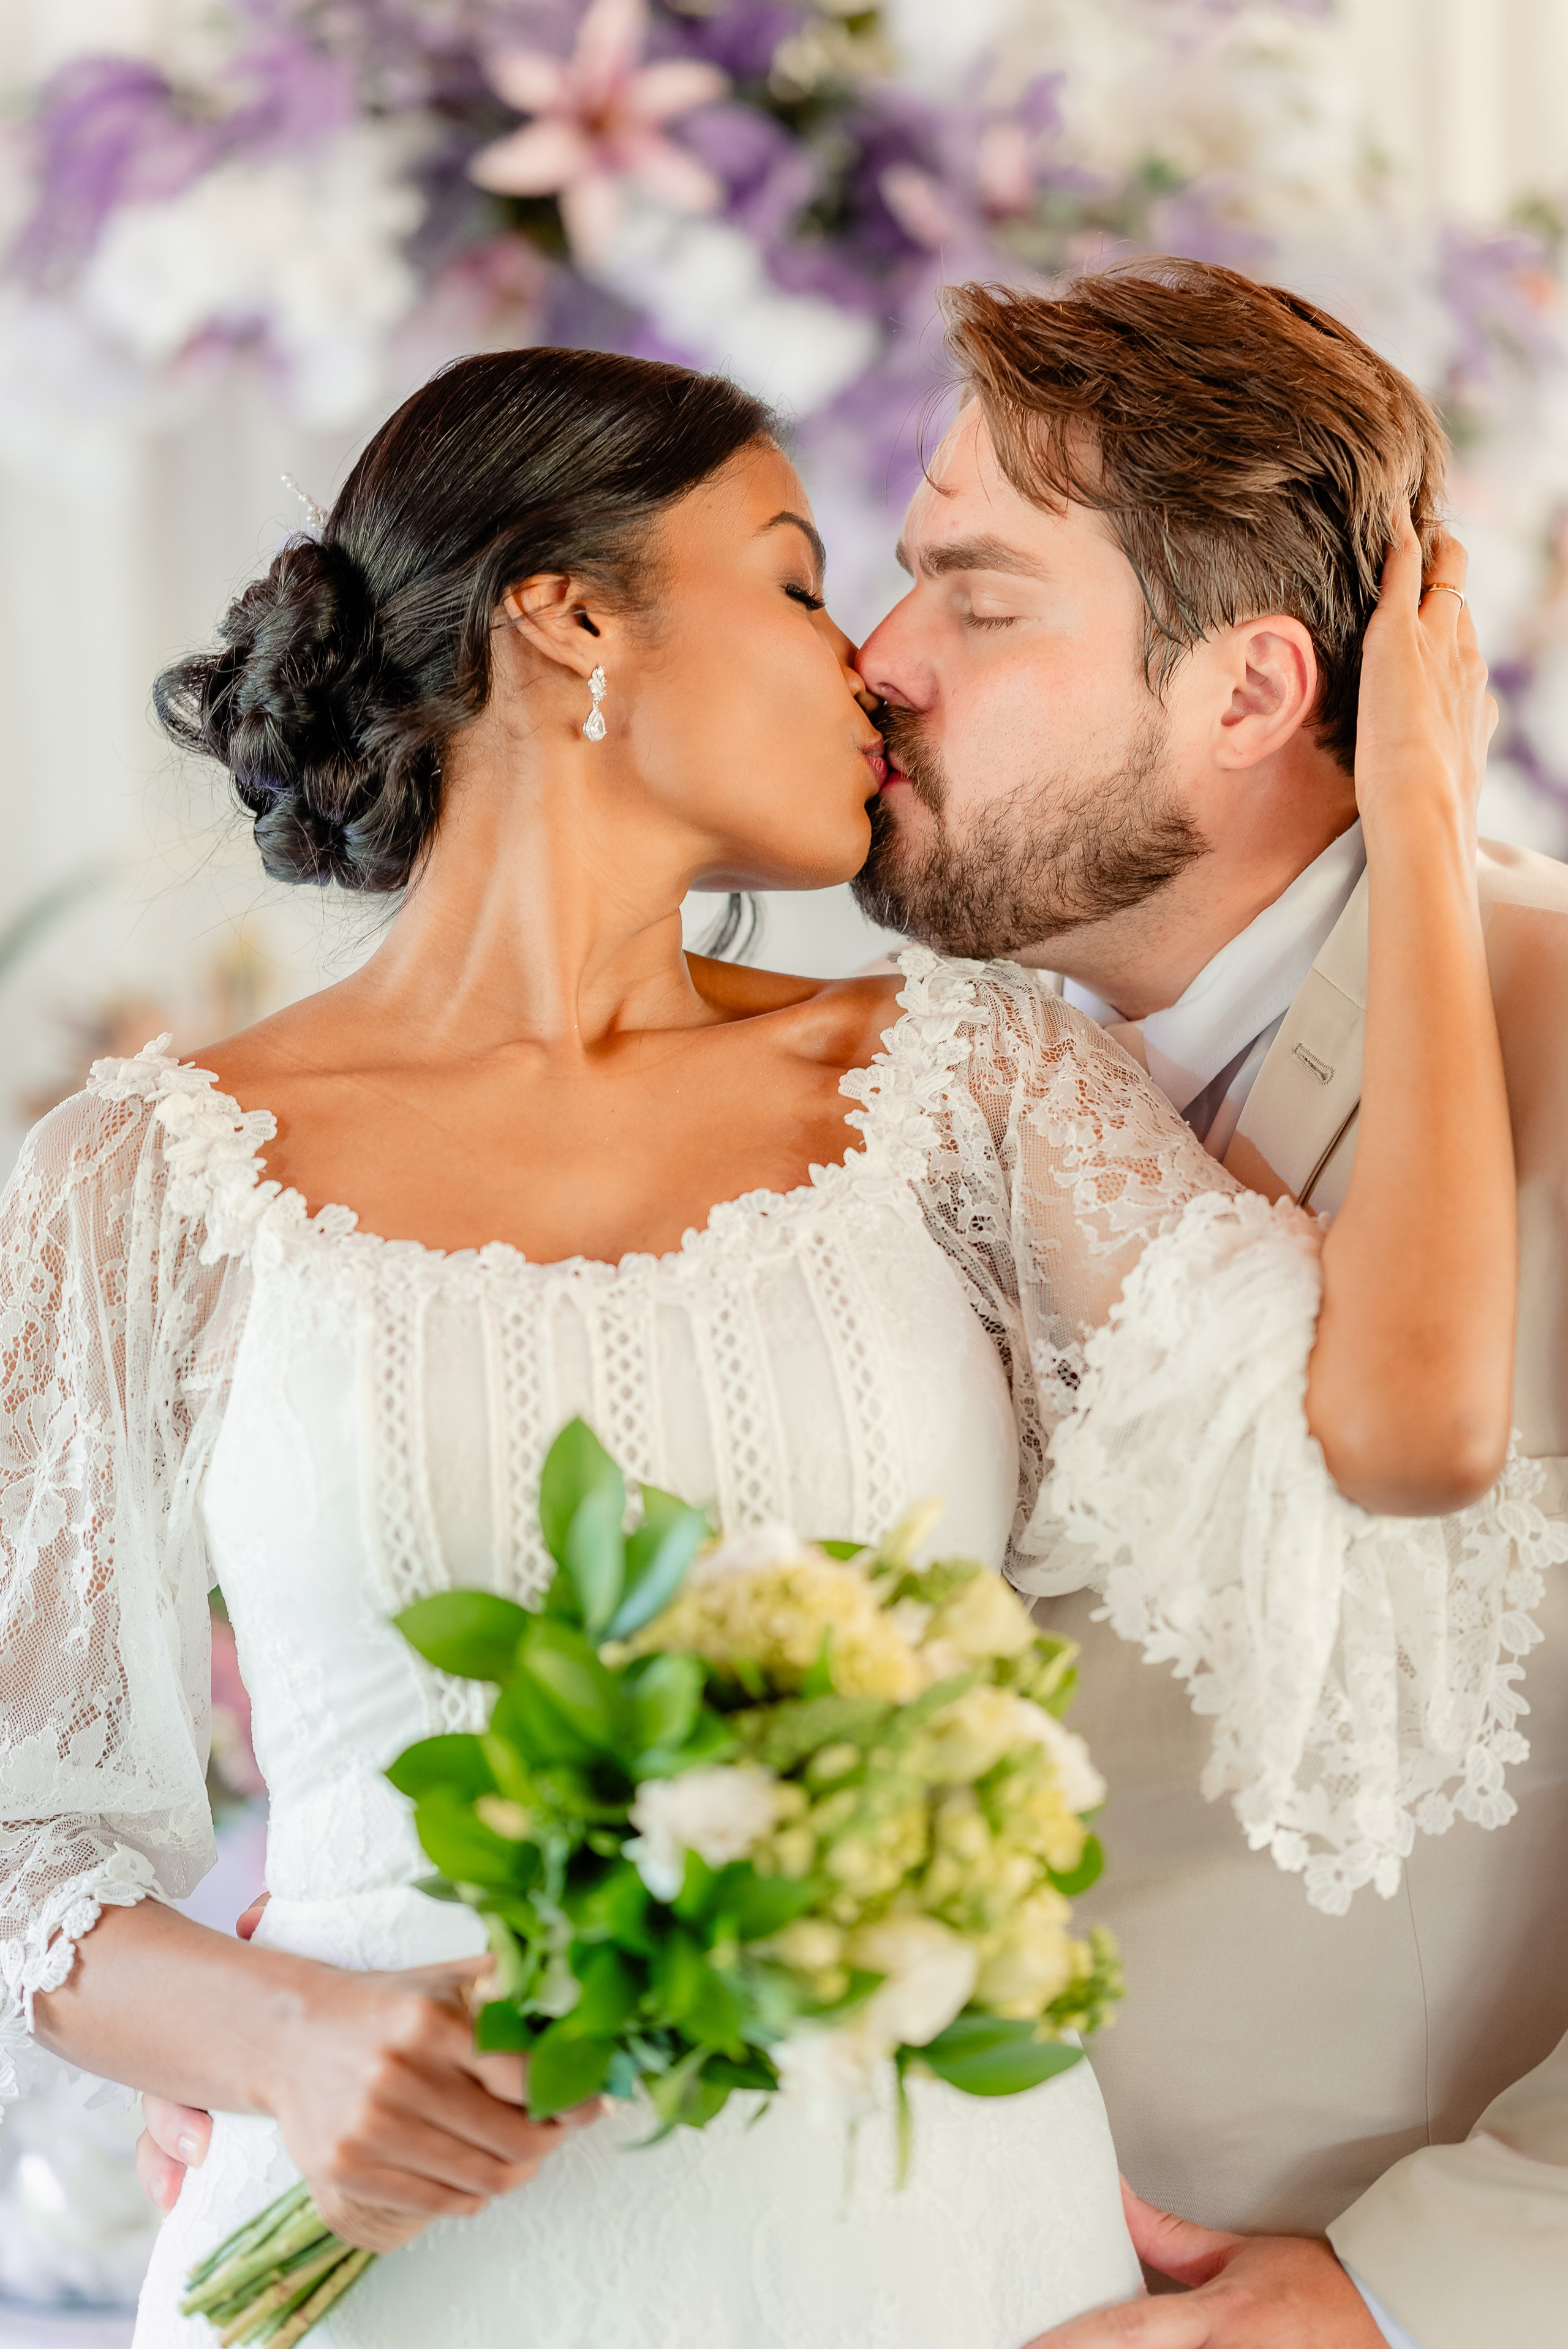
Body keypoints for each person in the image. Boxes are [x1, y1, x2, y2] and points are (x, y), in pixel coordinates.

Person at [0, 341, 1515, 2349]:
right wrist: (280, 2032)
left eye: (922, 593)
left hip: (931, 2248)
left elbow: (1403, 1433)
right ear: (573, 618)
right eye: (807, 580)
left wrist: (1422, 808)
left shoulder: (973, 1087)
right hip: (387, 2258)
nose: (869, 661)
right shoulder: (139, 1174)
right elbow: (29, 1835)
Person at [851, 261, 1568, 2348]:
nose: (882, 665)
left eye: (980, 601)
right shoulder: (916, 1074)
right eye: (903, 581)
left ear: (1251, 691)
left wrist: (1412, 2294)